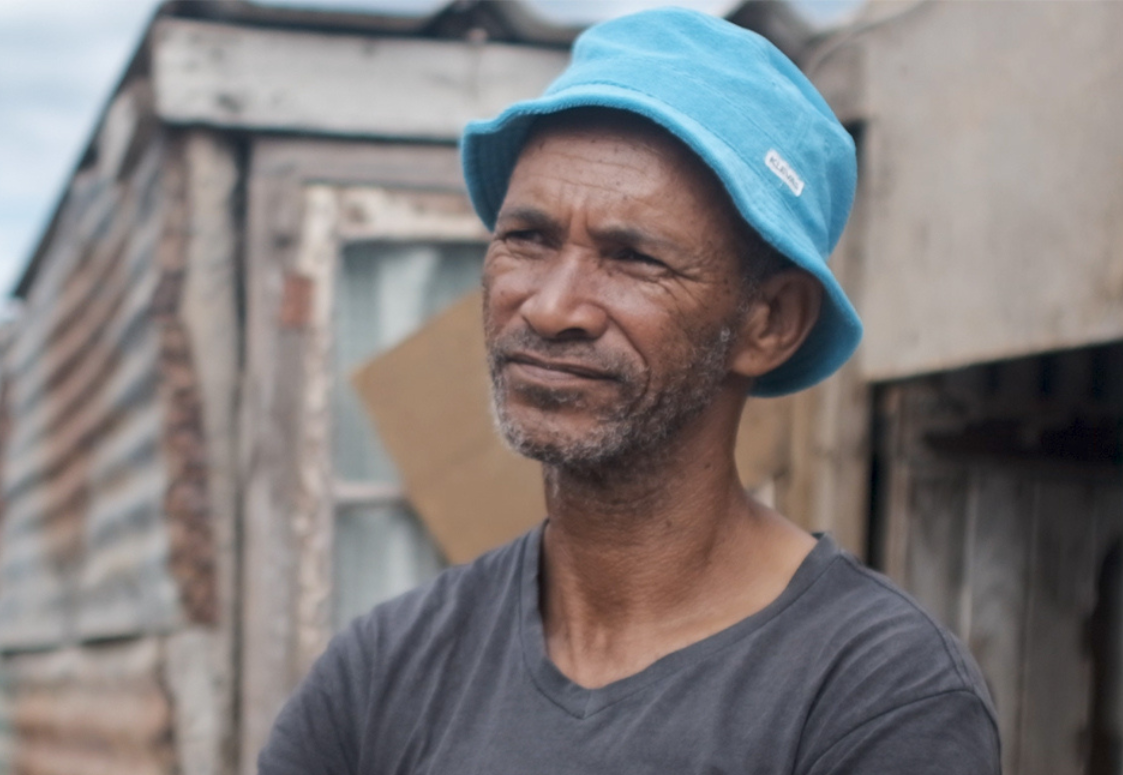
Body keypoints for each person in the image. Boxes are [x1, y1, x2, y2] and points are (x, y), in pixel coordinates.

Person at [258, 7, 999, 774]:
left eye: (634, 257)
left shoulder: (876, 695)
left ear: (769, 321)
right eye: (528, 238)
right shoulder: (384, 671)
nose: (550, 306)